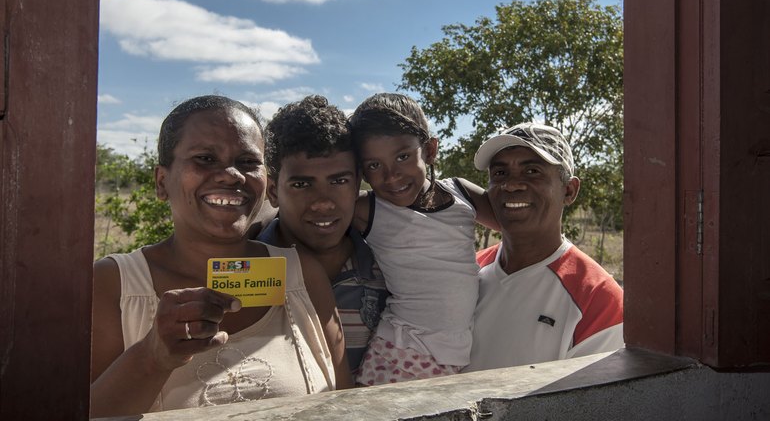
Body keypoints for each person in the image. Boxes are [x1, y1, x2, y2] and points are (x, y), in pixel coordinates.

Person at [90, 95, 352, 418]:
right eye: (204, 159)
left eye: (247, 162)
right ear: (161, 182)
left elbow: (348, 406)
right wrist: (152, 357)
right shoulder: (113, 285)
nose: (230, 175)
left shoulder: (301, 275)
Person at [349, 93, 498, 386]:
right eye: (374, 166)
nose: (391, 175)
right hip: (399, 352)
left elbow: (516, 224)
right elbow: (304, 213)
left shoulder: (461, 193)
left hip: (455, 353)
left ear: (430, 150)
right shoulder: (369, 208)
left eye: (403, 157)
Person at [463, 122, 624, 372]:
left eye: (533, 172)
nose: (512, 185)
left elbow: (592, 405)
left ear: (569, 190)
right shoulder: (467, 271)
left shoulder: (597, 297)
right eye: (500, 174)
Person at [255, 94, 389, 376]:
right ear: (273, 191)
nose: (323, 203)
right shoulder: (240, 269)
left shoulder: (391, 267)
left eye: (339, 181)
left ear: (357, 186)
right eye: (302, 184)